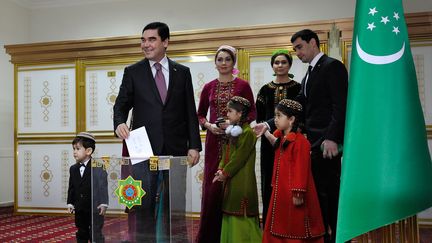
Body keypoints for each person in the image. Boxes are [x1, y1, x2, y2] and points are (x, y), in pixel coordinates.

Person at [254, 29, 347, 243]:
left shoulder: (332, 66)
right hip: (315, 144)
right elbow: (298, 105)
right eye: (295, 49)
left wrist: (332, 137)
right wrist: (267, 124)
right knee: (319, 200)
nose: (297, 53)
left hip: (326, 144)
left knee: (330, 197)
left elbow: (340, 106)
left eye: (299, 47)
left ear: (313, 42)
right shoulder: (311, 72)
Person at [113, 22, 202, 242]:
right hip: (143, 150)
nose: (146, 44)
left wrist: (194, 145)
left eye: (152, 39)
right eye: (143, 40)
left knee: (175, 205)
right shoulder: (133, 72)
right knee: (144, 206)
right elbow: (121, 105)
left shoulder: (182, 72)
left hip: (176, 148)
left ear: (165, 42)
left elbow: (190, 110)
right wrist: (119, 123)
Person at [196, 45, 256, 243]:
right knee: (213, 188)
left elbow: (253, 113)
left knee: (234, 185)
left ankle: (233, 237)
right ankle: (211, 237)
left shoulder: (243, 86)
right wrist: (209, 126)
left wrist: (234, 123)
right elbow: (199, 114)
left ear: (233, 62)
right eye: (219, 59)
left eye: (227, 59)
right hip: (214, 143)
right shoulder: (209, 87)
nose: (223, 63)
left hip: (236, 141)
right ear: (215, 63)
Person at [262, 99, 324, 243]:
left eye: (279, 116)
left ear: (291, 120)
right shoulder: (283, 139)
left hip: (293, 192)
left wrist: (298, 192)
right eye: (275, 116)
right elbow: (275, 144)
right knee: (280, 223)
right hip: (282, 190)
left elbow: (301, 170)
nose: (275, 120)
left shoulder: (301, 142)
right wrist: (265, 131)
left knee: (294, 225)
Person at [256, 49, 301, 227]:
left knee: (290, 180)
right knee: (269, 180)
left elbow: (300, 115)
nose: (280, 65)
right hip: (268, 142)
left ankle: (291, 222)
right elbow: (260, 118)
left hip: (291, 142)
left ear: (289, 65)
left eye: (284, 62)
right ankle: (269, 223)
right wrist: (267, 133)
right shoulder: (265, 90)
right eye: (277, 62)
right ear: (272, 66)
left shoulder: (297, 88)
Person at [212, 96, 261, 243]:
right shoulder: (234, 132)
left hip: (242, 181)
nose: (227, 114)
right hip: (231, 179)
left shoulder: (247, 133)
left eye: (230, 111)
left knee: (240, 214)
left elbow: (238, 158)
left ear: (239, 114)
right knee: (230, 211)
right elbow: (227, 154)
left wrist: (225, 173)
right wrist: (220, 169)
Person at [67, 132, 108, 243]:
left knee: (95, 233)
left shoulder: (99, 167)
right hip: (80, 208)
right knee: (81, 232)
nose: (74, 152)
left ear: (88, 151)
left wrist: (103, 203)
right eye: (73, 149)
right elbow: (71, 187)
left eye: (78, 149)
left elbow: (102, 186)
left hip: (95, 209)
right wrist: (70, 202)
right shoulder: (73, 169)